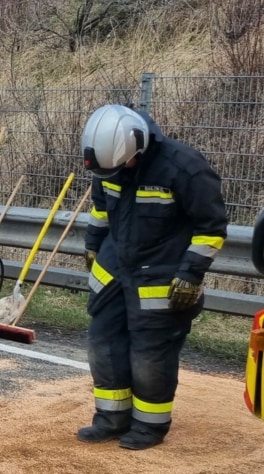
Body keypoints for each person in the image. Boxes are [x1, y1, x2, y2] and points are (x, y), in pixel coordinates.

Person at [76, 104, 228, 450]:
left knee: (150, 355)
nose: (117, 172)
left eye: (123, 164)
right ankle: (111, 418)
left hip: (161, 273)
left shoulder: (184, 168)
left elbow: (212, 227)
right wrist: (92, 245)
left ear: (138, 146)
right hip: (115, 268)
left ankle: (149, 427)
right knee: (104, 345)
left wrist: (191, 274)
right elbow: (101, 209)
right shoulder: (108, 165)